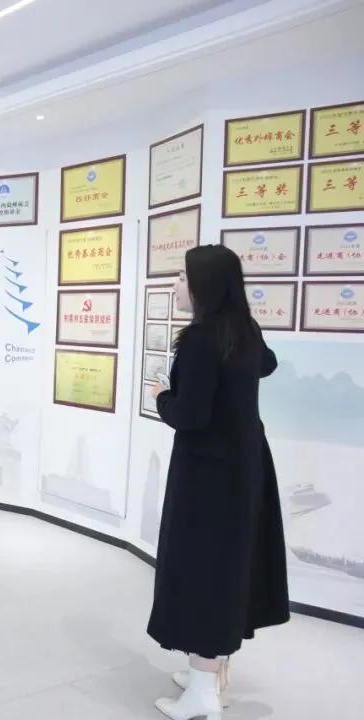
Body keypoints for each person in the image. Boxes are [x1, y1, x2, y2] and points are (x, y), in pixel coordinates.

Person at [147, 244, 289, 720]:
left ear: (203, 285)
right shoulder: (243, 331)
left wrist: (162, 395)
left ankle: (203, 693)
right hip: (245, 465)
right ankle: (209, 672)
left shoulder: (201, 339)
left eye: (181, 278)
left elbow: (190, 416)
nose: (175, 285)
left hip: (207, 474)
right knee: (227, 568)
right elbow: (267, 365)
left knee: (202, 571)